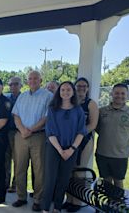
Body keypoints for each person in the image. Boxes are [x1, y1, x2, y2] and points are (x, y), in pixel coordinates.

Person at [42, 81, 86, 213]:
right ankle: (45, 208)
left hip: (71, 149)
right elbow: (50, 131)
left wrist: (71, 149)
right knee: (50, 179)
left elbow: (81, 131)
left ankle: (57, 207)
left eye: (68, 90)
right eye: (62, 90)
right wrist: (61, 150)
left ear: (73, 92)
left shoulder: (78, 110)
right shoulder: (52, 109)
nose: (65, 92)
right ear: (58, 92)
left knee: (64, 179)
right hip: (54, 148)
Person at [11, 71, 53, 212]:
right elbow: (16, 115)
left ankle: (38, 200)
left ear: (41, 80)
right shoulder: (22, 96)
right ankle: (21, 197)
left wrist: (31, 130)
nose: (33, 80)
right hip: (21, 136)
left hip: (38, 136)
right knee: (19, 167)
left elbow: (47, 117)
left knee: (39, 169)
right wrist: (23, 130)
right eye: (30, 78)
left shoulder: (48, 96)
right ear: (27, 81)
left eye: (35, 78)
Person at [63, 77, 99, 212]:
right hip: (69, 141)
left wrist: (78, 134)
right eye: (78, 86)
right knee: (69, 171)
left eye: (84, 86)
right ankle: (69, 199)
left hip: (84, 141)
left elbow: (92, 124)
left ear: (88, 89)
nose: (81, 88)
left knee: (79, 172)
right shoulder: (70, 103)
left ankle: (77, 203)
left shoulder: (91, 104)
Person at [95, 83, 129, 189]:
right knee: (106, 182)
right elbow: (97, 127)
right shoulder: (102, 111)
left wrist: (126, 140)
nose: (119, 96)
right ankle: (107, 205)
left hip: (120, 156)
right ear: (112, 93)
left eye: (122, 93)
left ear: (127, 95)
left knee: (118, 183)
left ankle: (119, 205)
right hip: (102, 153)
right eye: (116, 93)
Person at [4, 76, 22, 193]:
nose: (13, 86)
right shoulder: (6, 97)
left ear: (20, 85)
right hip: (6, 132)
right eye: (10, 84)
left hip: (19, 132)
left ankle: (15, 185)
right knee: (6, 159)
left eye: (15, 84)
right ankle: (5, 183)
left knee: (18, 159)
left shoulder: (25, 97)